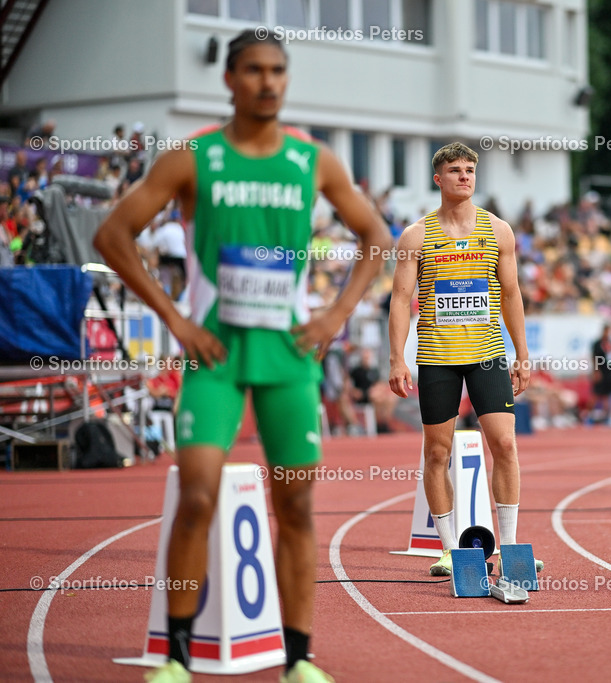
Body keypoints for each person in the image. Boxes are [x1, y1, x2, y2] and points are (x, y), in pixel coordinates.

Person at [94, 29, 389, 683]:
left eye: (278, 70)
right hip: (214, 349)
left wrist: (338, 313)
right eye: (254, 70)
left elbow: (375, 235)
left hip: (287, 353)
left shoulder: (314, 161)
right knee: (197, 496)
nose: (268, 82)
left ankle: (300, 660)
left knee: (299, 507)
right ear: (229, 80)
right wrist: (173, 318)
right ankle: (172, 656)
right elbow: (112, 233)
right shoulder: (192, 158)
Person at [388, 142, 541, 577]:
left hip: (487, 354)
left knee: (506, 445)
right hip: (438, 357)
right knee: (437, 453)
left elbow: (512, 294)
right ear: (438, 179)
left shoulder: (499, 231)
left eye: (470, 169)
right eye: (455, 170)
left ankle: (509, 547)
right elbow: (400, 300)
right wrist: (397, 359)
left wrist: (522, 354)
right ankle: (453, 550)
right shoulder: (416, 236)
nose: (464, 177)